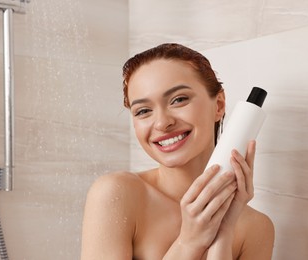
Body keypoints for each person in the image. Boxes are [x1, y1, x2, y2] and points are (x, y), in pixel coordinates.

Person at [81, 43, 274, 259]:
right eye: (143, 111)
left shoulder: (257, 228)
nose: (162, 123)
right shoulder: (117, 194)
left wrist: (223, 232)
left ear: (218, 105)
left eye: (179, 99)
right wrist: (188, 242)